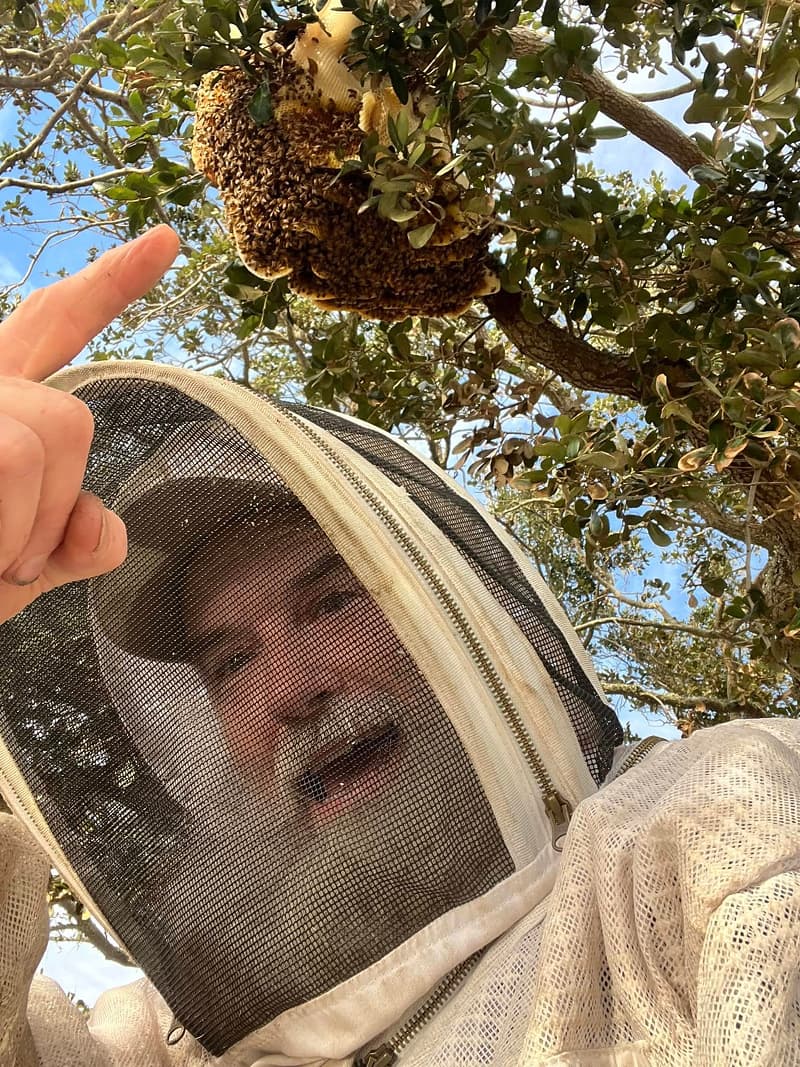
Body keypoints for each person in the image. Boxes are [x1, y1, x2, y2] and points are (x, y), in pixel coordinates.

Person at [0, 228, 799, 1067]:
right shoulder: (150, 1047)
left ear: (450, 608)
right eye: (230, 661)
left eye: (332, 602)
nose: (289, 690)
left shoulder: (709, 829)